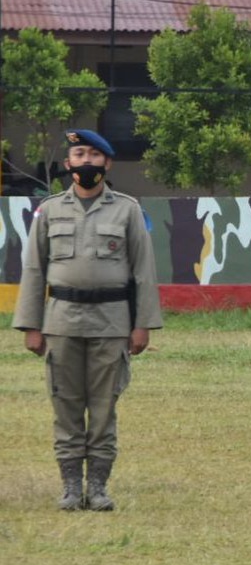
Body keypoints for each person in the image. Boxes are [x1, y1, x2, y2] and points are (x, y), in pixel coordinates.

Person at [13, 130, 163, 511]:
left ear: (107, 163)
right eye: (79, 154)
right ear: (68, 164)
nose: (86, 162)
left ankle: (97, 488)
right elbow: (34, 270)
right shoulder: (48, 210)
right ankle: (68, 487)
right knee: (65, 407)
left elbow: (144, 271)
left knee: (102, 409)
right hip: (60, 323)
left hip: (111, 324)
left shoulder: (128, 209)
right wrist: (31, 325)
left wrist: (142, 323)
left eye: (94, 155)